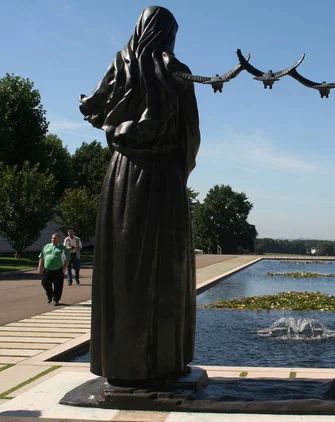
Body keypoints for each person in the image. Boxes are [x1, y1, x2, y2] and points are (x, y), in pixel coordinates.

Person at [79, 6, 200, 386]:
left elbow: (94, 108)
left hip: (121, 172)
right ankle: (162, 361)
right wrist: (183, 165)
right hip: (162, 175)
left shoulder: (121, 64)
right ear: (166, 34)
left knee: (123, 266)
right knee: (164, 266)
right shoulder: (176, 71)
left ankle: (122, 362)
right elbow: (190, 133)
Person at [38, 233, 70, 306]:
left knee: (58, 286)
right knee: (44, 283)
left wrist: (64, 268)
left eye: (55, 238)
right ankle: (50, 294)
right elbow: (41, 257)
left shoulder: (62, 248)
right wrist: (40, 267)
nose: (53, 240)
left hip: (58, 270)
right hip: (47, 270)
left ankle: (56, 299)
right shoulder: (47, 246)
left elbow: (67, 259)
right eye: (52, 238)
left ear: (59, 239)